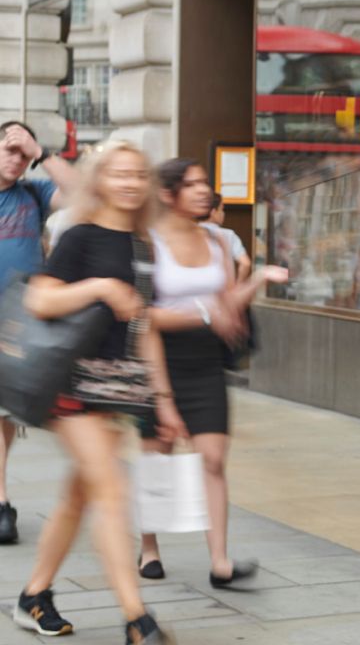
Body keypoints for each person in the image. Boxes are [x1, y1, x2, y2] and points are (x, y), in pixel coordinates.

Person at [15, 139, 182, 644]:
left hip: (117, 389)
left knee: (78, 495)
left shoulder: (144, 245)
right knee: (112, 490)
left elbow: (144, 325)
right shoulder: (80, 237)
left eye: (139, 174)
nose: (131, 182)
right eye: (120, 173)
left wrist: (164, 399)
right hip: (71, 387)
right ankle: (137, 618)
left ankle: (33, 595)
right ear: (100, 180)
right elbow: (41, 299)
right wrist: (100, 289)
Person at [137, 158, 273, 589]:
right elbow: (143, 317)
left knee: (213, 460)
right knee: (158, 457)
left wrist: (259, 280)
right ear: (167, 193)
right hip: (158, 361)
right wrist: (203, 314)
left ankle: (220, 561)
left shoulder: (216, 239)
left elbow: (227, 304)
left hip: (206, 362)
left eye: (204, 183)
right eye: (192, 184)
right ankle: (149, 547)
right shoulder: (148, 244)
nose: (204, 191)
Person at [0, 120, 77, 546]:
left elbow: (82, 193)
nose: (16, 158)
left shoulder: (33, 193)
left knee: (5, 418)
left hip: (19, 322)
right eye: (9, 148)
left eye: (21, 153)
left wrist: (43, 152)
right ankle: (1, 503)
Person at [202, 192, 250, 282]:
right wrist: (237, 288)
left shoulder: (189, 233)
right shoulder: (228, 235)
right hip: (223, 291)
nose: (223, 214)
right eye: (221, 209)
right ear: (213, 212)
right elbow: (245, 263)